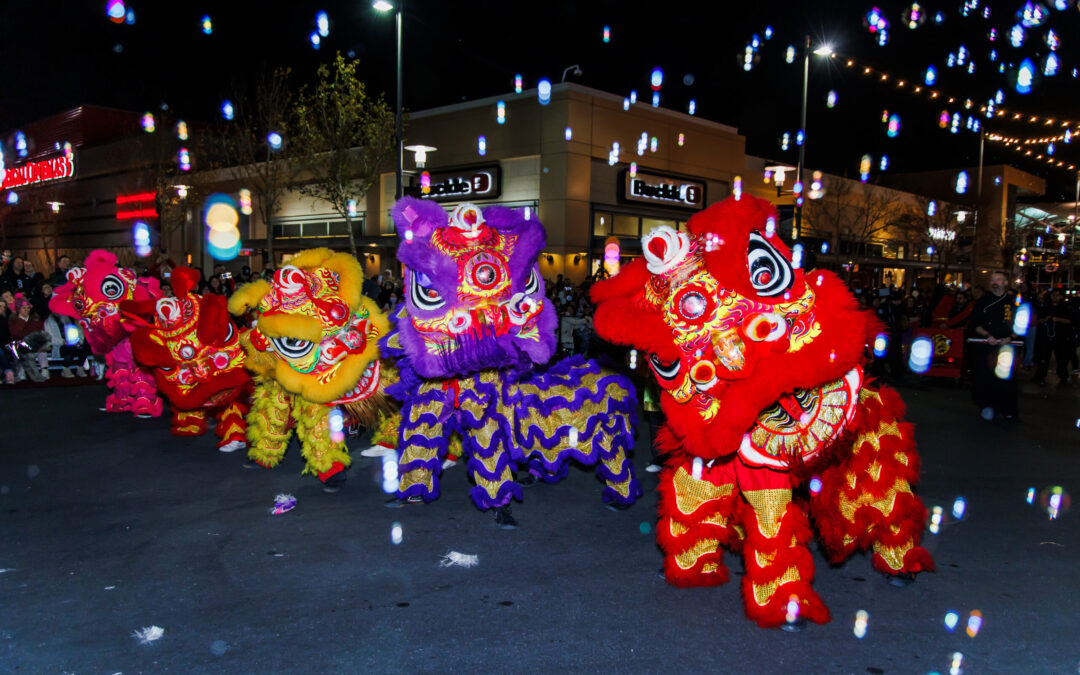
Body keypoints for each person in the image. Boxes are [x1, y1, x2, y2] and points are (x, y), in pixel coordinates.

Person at [970, 271, 1019, 421]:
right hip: (986, 346)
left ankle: (1007, 410)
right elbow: (976, 324)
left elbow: (1020, 326)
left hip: (1006, 348)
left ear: (1005, 283)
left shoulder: (1013, 302)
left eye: (999, 279)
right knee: (985, 378)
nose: (995, 282)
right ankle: (987, 406)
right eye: (993, 280)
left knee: (1006, 380)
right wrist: (987, 336)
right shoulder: (983, 301)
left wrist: (1009, 338)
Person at [1033, 288, 1073, 386]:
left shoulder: (1065, 307)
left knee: (1061, 358)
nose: (1055, 297)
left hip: (1060, 337)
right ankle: (1040, 376)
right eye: (1053, 295)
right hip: (1046, 336)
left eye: (1057, 295)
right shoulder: (1046, 306)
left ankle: (1063, 377)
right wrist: (1045, 320)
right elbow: (1037, 320)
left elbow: (1071, 321)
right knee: (1044, 357)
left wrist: (1058, 319)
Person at [8, 294, 51, 381]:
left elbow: (41, 333)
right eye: (24, 308)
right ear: (19, 309)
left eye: (28, 308)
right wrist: (22, 321)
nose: (26, 310)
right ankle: (25, 372)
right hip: (19, 345)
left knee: (41, 347)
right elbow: (16, 334)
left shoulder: (35, 320)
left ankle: (44, 370)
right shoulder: (13, 321)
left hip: (35, 346)